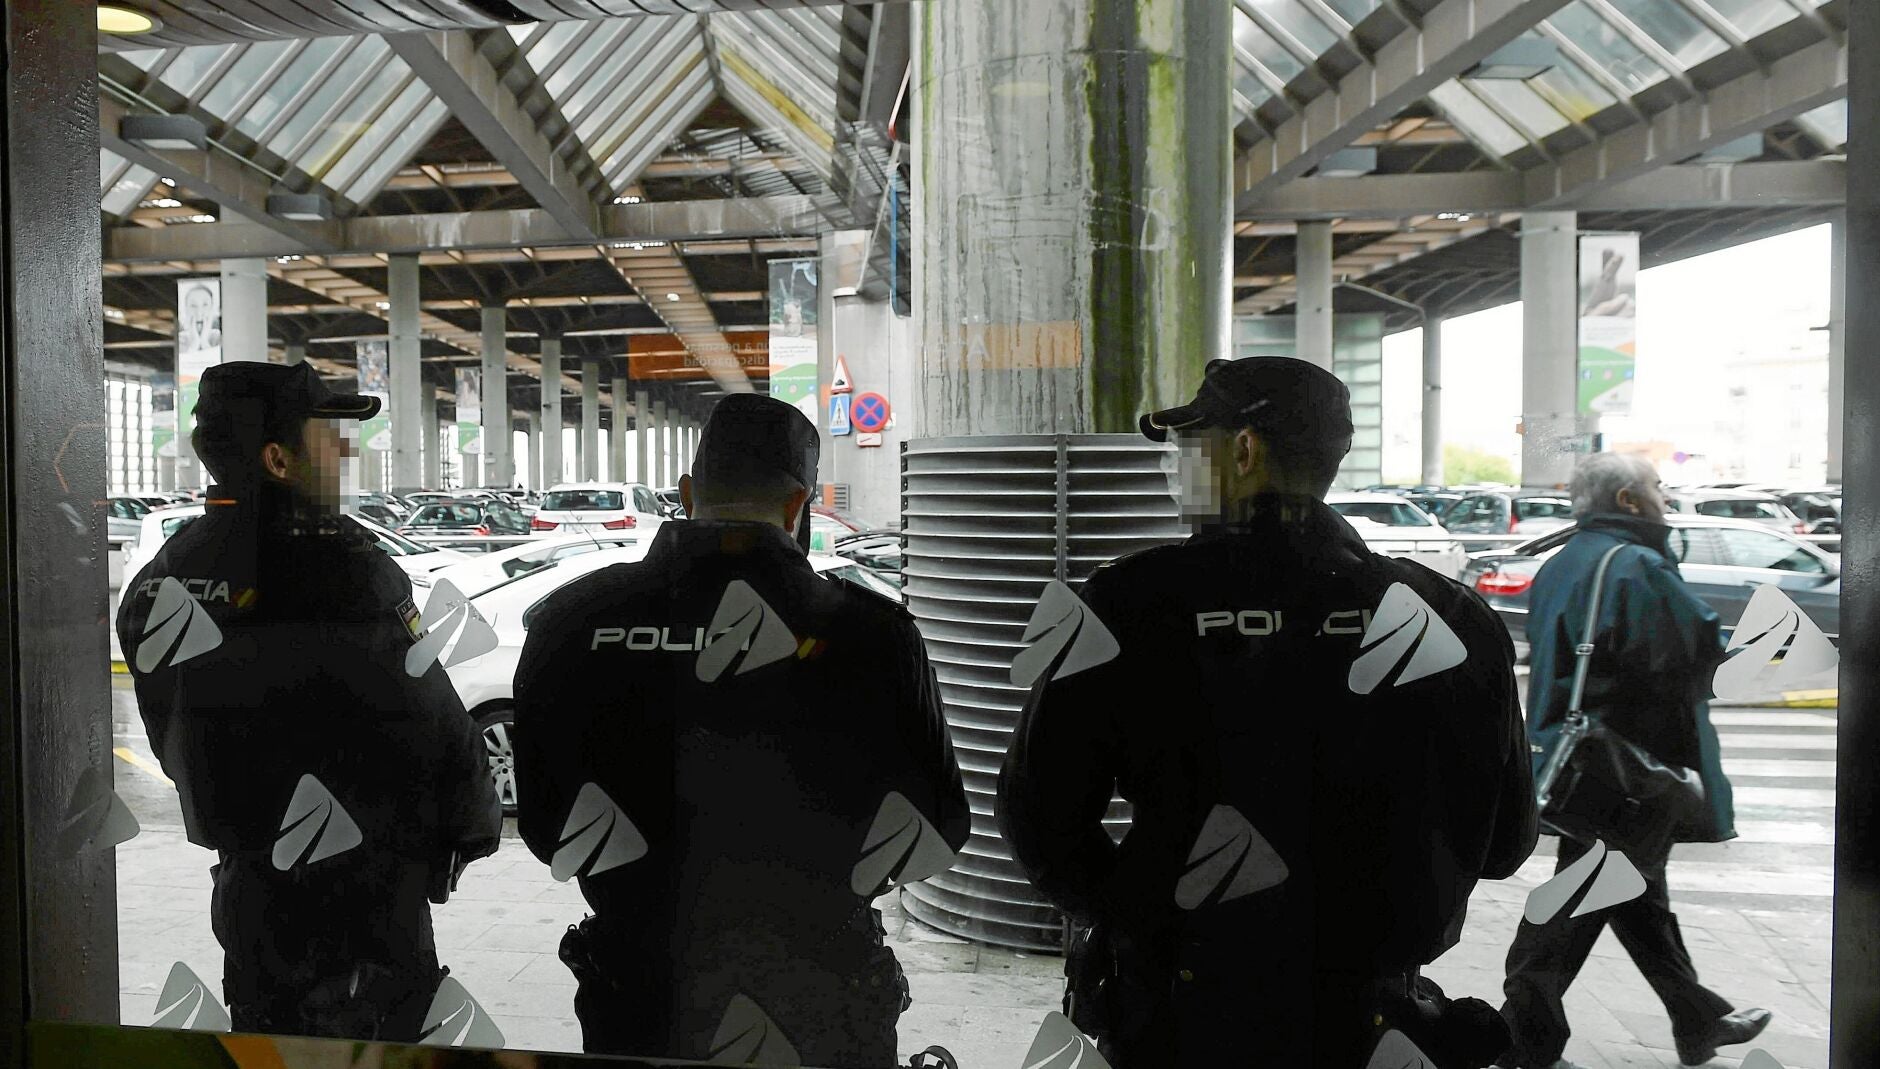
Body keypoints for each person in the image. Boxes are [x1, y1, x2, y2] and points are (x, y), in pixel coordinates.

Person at [998, 357, 1537, 1068]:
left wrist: (1148, 919)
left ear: (1244, 451)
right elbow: (1505, 845)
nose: (1177, 469)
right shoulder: (1456, 617)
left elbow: (1040, 819)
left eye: (1190, 448)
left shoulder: (1125, 604)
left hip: (1181, 1017)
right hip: (1370, 1023)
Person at [513, 393, 970, 1066]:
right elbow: (940, 823)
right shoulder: (874, 634)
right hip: (823, 993)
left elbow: (546, 825)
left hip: (640, 992)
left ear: (686, 493)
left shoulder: (573, 619)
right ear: (798, 507)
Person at [116, 361, 501, 1040]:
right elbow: (436, 725)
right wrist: (473, 829)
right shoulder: (347, 571)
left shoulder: (163, 577)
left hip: (250, 895)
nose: (345, 453)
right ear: (278, 459)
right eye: (329, 437)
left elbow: (171, 735)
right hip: (361, 903)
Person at [1496, 453, 1770, 1069]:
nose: (1664, 498)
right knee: (1577, 907)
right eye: (1656, 488)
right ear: (1626, 499)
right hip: (1629, 770)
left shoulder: (1565, 561)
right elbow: (1688, 657)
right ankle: (1523, 1042)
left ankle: (1698, 1021)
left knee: (1634, 895)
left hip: (1585, 760)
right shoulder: (1635, 565)